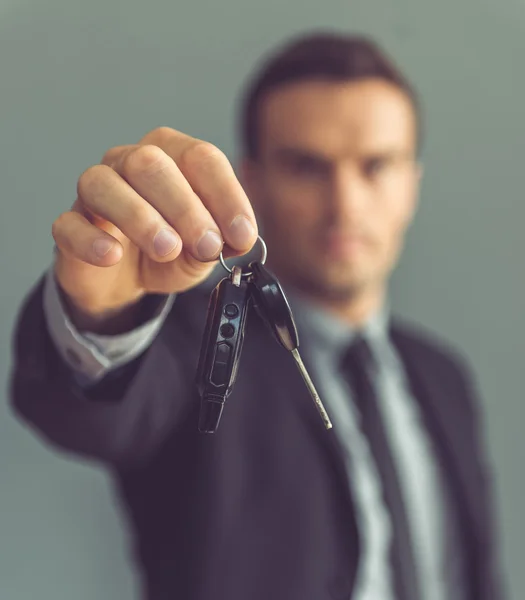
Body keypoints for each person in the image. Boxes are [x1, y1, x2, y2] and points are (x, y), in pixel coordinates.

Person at [9, 31, 505, 600]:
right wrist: (102, 313)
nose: (344, 203)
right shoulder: (188, 342)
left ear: (412, 185)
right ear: (253, 181)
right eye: (306, 167)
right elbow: (92, 409)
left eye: (375, 166)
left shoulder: (443, 379)